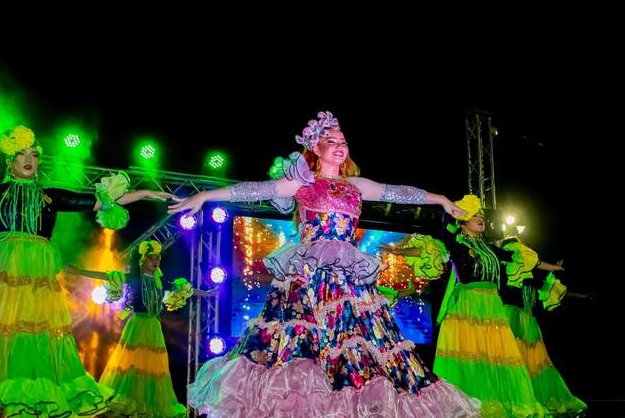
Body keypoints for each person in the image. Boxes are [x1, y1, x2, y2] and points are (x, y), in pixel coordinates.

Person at [171, 111, 480, 417]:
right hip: (308, 278)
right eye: (330, 140)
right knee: (303, 343)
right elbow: (257, 189)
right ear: (315, 149)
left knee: (358, 343)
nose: (339, 145)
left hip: (349, 278)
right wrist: (207, 196)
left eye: (343, 140)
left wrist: (440, 198)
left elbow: (397, 192)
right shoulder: (301, 182)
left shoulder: (355, 184)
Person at [0, 125, 173, 417]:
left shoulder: (51, 196)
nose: (29, 159)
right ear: (10, 161)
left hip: (36, 281)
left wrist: (145, 193)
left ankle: (13, 400)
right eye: (21, 154)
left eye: (34, 154)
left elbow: (104, 200)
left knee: (28, 338)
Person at [404, 195, 547, 418]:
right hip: (469, 305)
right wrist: (452, 213)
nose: (481, 218)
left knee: (493, 354)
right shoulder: (456, 243)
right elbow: (436, 241)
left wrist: (552, 268)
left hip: (491, 306)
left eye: (482, 215)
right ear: (463, 221)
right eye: (475, 215)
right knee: (471, 353)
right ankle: (465, 403)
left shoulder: (490, 249)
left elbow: (527, 261)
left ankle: (494, 399)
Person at [66, 240, 214, 417]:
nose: (156, 262)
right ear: (143, 260)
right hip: (138, 324)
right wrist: (80, 272)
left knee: (152, 367)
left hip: (153, 326)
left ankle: (146, 404)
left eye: (158, 259)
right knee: (132, 364)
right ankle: (130, 402)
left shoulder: (160, 282)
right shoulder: (136, 278)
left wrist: (206, 293)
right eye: (152, 258)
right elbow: (107, 276)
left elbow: (184, 289)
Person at [498, 236, 587, 417]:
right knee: (516, 360)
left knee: (528, 362)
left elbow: (543, 273)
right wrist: (554, 267)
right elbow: (534, 264)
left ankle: (526, 398)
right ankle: (516, 398)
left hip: (524, 321)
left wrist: (555, 268)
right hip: (512, 318)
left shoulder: (528, 278)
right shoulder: (503, 267)